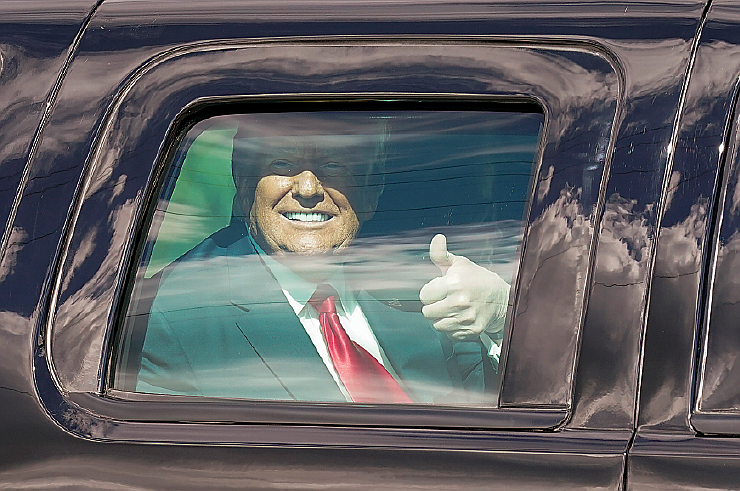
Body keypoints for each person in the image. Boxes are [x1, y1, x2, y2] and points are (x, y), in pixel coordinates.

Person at [134, 113, 510, 404]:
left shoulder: (424, 286)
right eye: (282, 164)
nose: (309, 189)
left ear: (373, 186)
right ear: (244, 181)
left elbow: (502, 421)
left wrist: (503, 320)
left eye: (333, 166)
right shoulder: (176, 313)